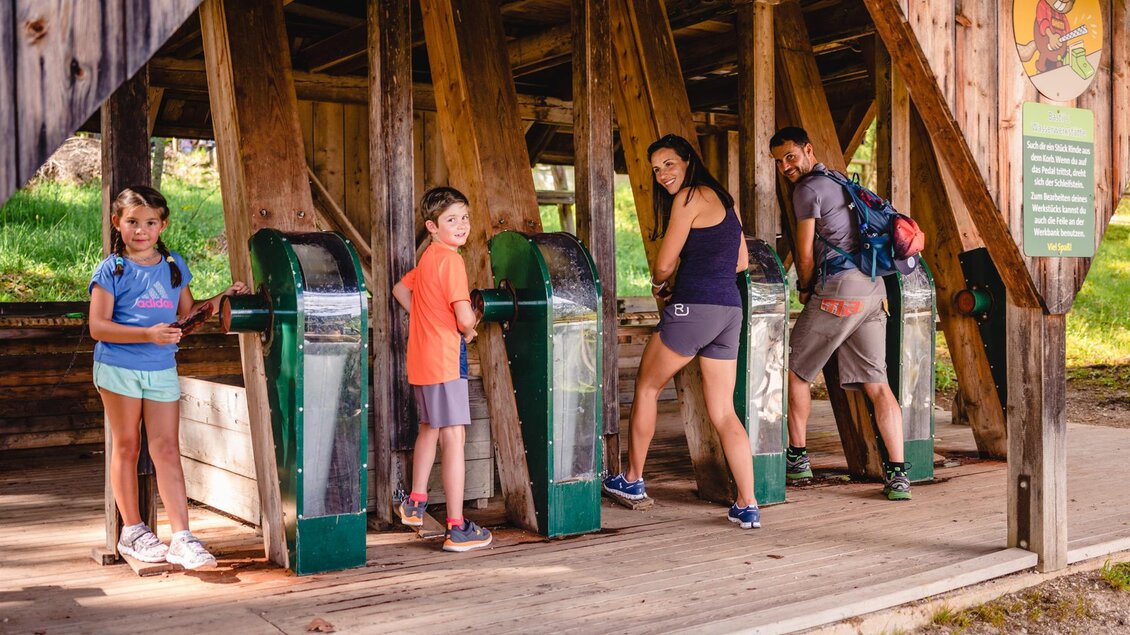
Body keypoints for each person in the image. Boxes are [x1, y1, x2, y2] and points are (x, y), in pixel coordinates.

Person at [602, 133, 761, 530]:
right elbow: (741, 262)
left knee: (647, 387)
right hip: (729, 311)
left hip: (695, 308)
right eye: (656, 169)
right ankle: (747, 504)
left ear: (688, 160)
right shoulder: (725, 200)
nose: (662, 174)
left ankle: (634, 481)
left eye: (669, 164)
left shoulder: (687, 198)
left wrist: (660, 285)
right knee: (724, 411)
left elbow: (663, 263)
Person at [89, 185, 248, 570]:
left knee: (166, 450)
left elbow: (187, 315)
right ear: (117, 223)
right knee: (127, 446)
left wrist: (223, 296)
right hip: (119, 368)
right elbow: (97, 326)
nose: (140, 230)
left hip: (161, 368)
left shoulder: (174, 265)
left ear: (162, 225)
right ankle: (133, 531)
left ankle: (182, 537)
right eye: (131, 222)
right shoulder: (112, 269)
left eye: (149, 223)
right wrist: (147, 334)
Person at [768, 126, 911, 501]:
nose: (785, 166)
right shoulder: (839, 181)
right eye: (779, 161)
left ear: (807, 149)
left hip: (839, 291)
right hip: (873, 290)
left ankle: (797, 457)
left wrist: (803, 286)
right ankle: (898, 474)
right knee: (877, 384)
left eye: (790, 157)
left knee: (795, 369)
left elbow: (804, 253)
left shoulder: (806, 190)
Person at [392, 186, 493, 552]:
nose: (461, 224)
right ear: (432, 226)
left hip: (421, 357)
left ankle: (416, 501)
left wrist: (427, 319)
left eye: (465, 217)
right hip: (446, 357)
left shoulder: (428, 258)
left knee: (429, 428)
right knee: (454, 439)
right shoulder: (452, 261)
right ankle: (456, 527)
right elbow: (464, 316)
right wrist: (470, 327)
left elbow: (400, 291)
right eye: (452, 219)